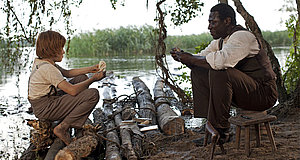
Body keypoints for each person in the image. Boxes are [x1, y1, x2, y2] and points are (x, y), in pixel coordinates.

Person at [170, 3, 278, 143]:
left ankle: (221, 131)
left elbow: (220, 62)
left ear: (227, 21)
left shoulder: (242, 37)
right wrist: (182, 57)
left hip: (264, 94)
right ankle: (211, 123)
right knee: (199, 70)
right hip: (246, 93)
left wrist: (190, 58)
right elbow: (200, 59)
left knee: (220, 71)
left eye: (213, 22)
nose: (209, 27)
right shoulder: (220, 42)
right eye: (209, 23)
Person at [28, 30, 106, 145]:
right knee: (93, 94)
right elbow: (72, 91)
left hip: (46, 102)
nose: (63, 51)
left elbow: (67, 73)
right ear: (52, 49)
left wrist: (90, 69)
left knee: (81, 78)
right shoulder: (48, 69)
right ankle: (63, 127)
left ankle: (72, 120)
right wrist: (93, 79)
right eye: (61, 48)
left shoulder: (43, 62)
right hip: (46, 108)